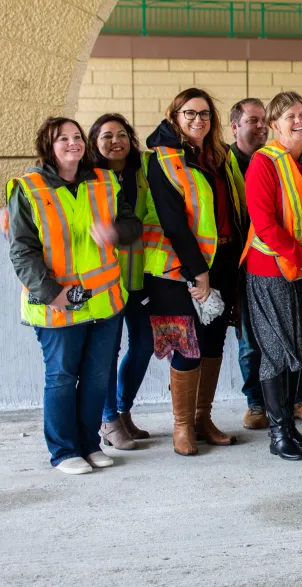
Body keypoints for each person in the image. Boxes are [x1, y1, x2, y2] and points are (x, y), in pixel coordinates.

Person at [7, 117, 141, 474]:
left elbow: (133, 225)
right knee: (62, 376)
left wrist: (114, 231)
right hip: (57, 305)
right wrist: (51, 293)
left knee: (97, 376)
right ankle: (64, 452)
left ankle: (89, 444)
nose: (72, 143)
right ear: (48, 147)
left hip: (103, 299)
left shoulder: (105, 180)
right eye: (62, 138)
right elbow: (22, 250)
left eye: (77, 137)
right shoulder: (28, 188)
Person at [143, 87, 246, 456]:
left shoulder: (219, 156)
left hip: (224, 261)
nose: (197, 120)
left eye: (204, 114)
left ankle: (203, 418)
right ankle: (182, 426)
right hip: (180, 269)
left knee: (214, 344)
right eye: (189, 113)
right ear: (175, 116)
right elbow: (173, 221)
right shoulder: (162, 159)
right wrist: (197, 272)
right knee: (187, 346)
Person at [228, 98, 302, 431]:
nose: (298, 121)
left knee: (298, 345)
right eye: (289, 116)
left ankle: (291, 421)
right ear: (274, 124)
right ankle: (279, 432)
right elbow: (265, 223)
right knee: (274, 351)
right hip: (270, 268)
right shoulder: (263, 162)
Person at [89, 114, 153, 451]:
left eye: (122, 134)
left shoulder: (143, 171)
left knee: (143, 345)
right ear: (94, 143)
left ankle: (122, 409)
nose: (116, 141)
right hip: (106, 280)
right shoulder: (89, 177)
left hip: (140, 276)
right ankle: (108, 419)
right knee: (108, 352)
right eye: (106, 136)